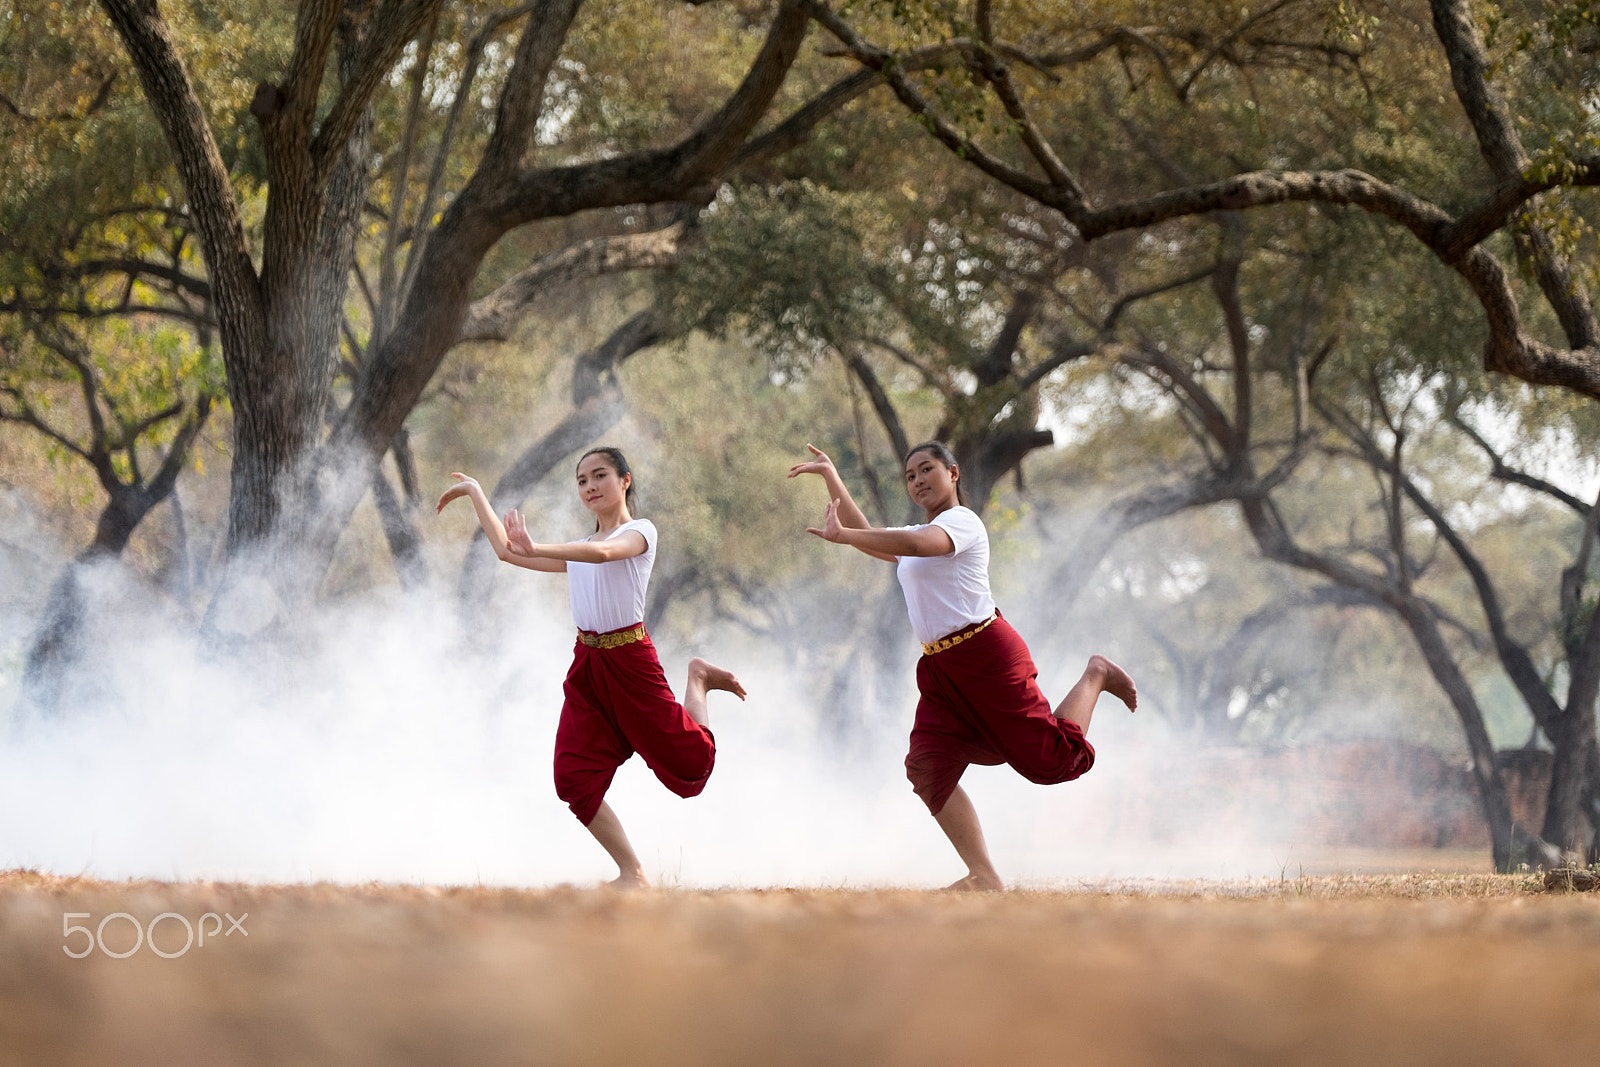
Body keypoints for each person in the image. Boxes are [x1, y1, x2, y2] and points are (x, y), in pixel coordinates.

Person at [790, 441, 1136, 891]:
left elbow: (916, 542)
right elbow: (876, 538)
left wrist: (847, 536)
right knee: (927, 764)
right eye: (909, 476)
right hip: (941, 668)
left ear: (953, 473)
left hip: (986, 656)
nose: (917, 481)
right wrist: (832, 477)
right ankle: (985, 876)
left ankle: (1096, 673)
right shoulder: (917, 533)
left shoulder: (962, 523)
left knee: (1051, 763)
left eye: (926, 469)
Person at [438, 446, 746, 888]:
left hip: (631, 662)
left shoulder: (641, 532)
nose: (589, 486)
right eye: (581, 481)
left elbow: (605, 555)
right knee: (572, 779)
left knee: (692, 770)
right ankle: (632, 872)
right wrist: (476, 494)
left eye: (599, 476)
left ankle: (696, 676)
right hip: (588, 667)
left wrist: (537, 544)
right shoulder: (579, 547)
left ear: (625, 480)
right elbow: (508, 553)